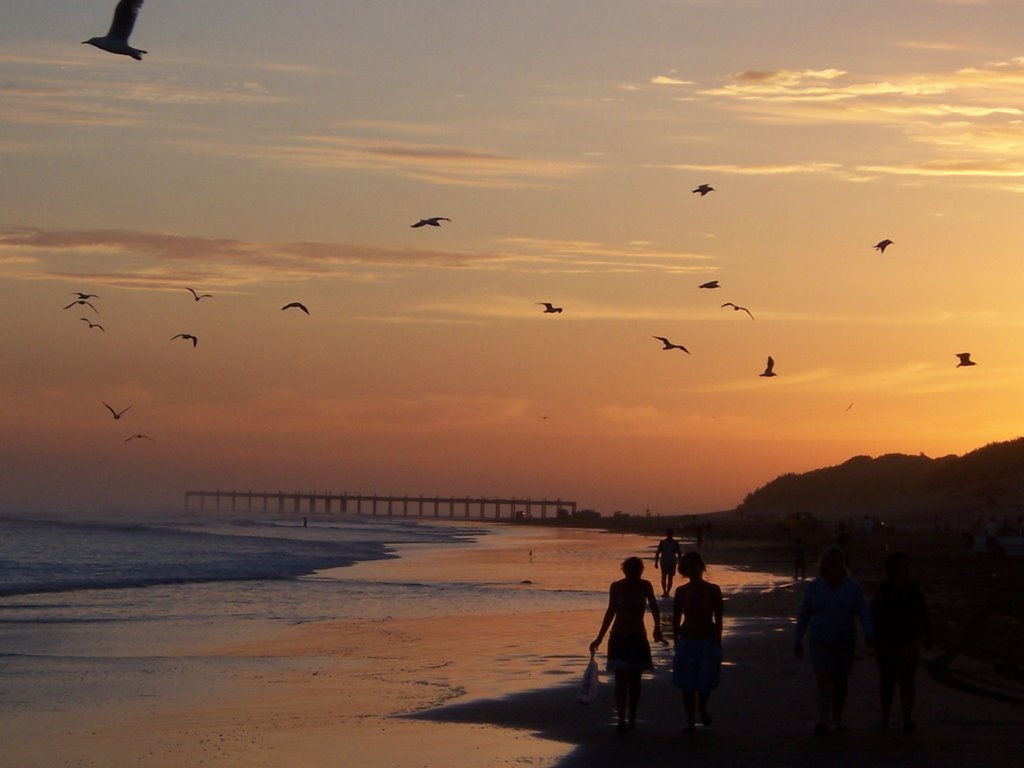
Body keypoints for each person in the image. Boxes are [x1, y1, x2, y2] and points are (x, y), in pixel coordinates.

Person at [794, 546, 873, 734]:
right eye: (831, 561)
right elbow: (804, 613)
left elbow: (863, 611)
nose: (835, 564)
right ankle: (823, 720)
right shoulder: (815, 586)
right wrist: (797, 638)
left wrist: (870, 633)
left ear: (843, 564)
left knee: (841, 681)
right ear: (824, 564)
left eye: (839, 561)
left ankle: (837, 718)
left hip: (845, 640)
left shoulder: (852, 587)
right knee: (823, 679)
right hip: (819, 639)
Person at [590, 556, 664, 733]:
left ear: (640, 571)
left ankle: (631, 718)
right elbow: (610, 611)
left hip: (637, 637)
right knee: (621, 680)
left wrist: (657, 627)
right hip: (618, 637)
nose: (633, 574)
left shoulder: (645, 585)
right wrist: (599, 637)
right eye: (630, 571)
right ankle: (622, 718)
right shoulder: (616, 586)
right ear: (625, 571)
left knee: (635, 680)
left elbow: (654, 607)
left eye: (636, 571)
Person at [871, 552, 930, 732]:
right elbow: (874, 614)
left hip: (909, 640)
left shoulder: (914, 589)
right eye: (902, 567)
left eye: (907, 566)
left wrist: (925, 635)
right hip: (887, 641)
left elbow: (923, 614)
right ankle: (885, 718)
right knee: (887, 682)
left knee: (907, 681)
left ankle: (907, 718)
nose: (906, 570)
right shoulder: (884, 589)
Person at [672, 551, 724, 731]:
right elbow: (676, 617)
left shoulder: (713, 590)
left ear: (701, 567)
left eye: (695, 566)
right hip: (687, 639)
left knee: (706, 680)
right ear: (685, 570)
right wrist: (676, 640)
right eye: (689, 567)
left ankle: (702, 706)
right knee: (687, 683)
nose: (693, 570)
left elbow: (719, 616)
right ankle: (690, 721)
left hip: (707, 639)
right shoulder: (681, 591)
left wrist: (718, 639)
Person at [654, 529, 683, 596]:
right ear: (667, 534)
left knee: (670, 578)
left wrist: (680, 563)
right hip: (664, 562)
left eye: (671, 534)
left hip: (672, 562)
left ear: (672, 534)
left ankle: (667, 592)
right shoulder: (663, 542)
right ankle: (664, 591)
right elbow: (658, 552)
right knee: (664, 577)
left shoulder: (675, 543)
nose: (670, 535)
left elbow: (679, 553)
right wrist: (656, 562)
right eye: (669, 534)